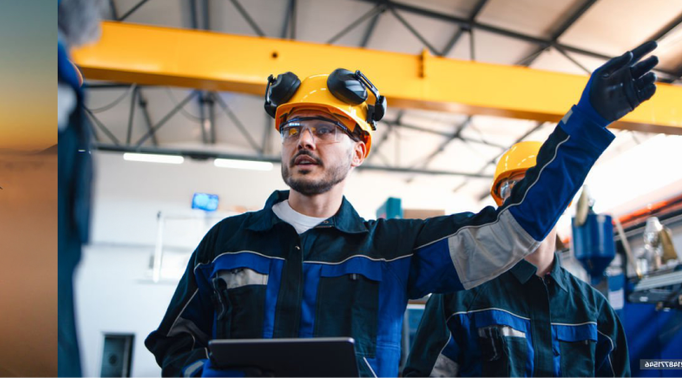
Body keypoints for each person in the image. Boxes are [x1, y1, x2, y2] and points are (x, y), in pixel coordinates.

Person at [146, 42, 662, 378]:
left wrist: (588, 123)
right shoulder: (226, 243)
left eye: (326, 129)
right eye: (292, 128)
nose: (304, 140)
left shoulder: (393, 251)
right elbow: (175, 342)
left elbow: (513, 228)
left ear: (359, 151)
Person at [399, 142, 628, 378]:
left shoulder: (595, 313)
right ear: (501, 204)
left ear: (564, 200)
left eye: (544, 188)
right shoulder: (458, 296)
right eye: (516, 188)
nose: (531, 202)